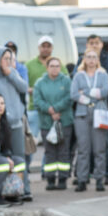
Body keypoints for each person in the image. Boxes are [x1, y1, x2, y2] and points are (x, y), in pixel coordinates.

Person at [0, 47, 31, 201]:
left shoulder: (12, 74)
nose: (8, 62)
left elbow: (24, 87)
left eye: (10, 58)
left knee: (20, 158)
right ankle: (4, 191)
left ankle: (24, 189)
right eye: (5, 59)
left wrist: (11, 74)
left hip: (16, 124)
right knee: (5, 158)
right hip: (2, 125)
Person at [70, 48, 108, 192]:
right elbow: (73, 94)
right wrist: (90, 97)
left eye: (94, 57)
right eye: (89, 57)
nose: (92, 60)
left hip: (99, 113)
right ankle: (82, 179)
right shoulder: (78, 76)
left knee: (99, 148)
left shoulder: (103, 75)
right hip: (82, 114)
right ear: (84, 59)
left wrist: (85, 92)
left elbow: (104, 92)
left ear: (97, 59)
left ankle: (99, 179)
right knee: (83, 149)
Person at [33, 57, 73, 191]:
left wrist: (56, 108)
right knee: (50, 152)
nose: (55, 68)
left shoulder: (66, 81)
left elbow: (69, 98)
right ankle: (50, 180)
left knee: (63, 152)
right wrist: (49, 110)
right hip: (47, 123)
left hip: (64, 121)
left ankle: (62, 179)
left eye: (57, 66)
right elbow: (37, 101)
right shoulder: (40, 83)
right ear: (47, 67)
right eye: (52, 66)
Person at [25, 36, 57, 141]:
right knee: (30, 142)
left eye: (48, 46)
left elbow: (65, 84)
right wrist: (34, 90)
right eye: (43, 46)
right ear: (39, 47)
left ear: (52, 48)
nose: (46, 48)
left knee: (52, 141)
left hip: (52, 111)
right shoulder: (29, 65)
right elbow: (23, 85)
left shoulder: (57, 64)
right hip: (34, 108)